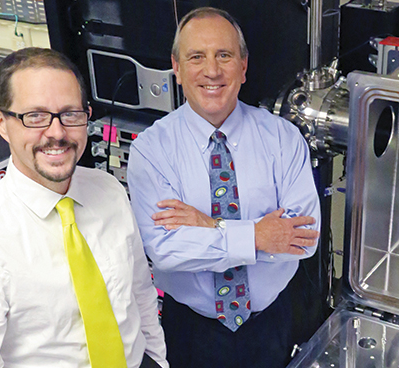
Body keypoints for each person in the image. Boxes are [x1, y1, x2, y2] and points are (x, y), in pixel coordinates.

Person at [0, 48, 168, 368]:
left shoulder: (110, 191)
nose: (56, 132)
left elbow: (141, 294)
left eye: (70, 114)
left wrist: (157, 360)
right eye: (35, 116)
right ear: (1, 122)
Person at [127, 7, 321, 368]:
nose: (212, 70)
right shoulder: (151, 150)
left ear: (243, 67)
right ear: (177, 68)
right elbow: (165, 252)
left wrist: (208, 226)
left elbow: (303, 239)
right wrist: (258, 235)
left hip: (271, 323)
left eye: (224, 56)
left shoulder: (283, 138)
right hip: (190, 331)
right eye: (196, 57)